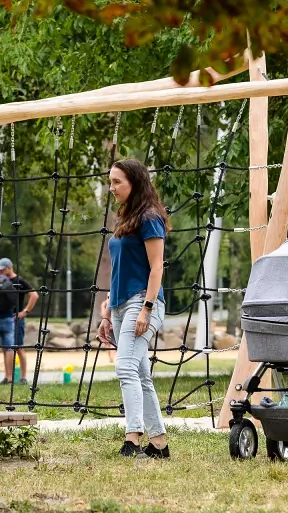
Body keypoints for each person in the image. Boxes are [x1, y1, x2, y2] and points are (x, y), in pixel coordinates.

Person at [97, 158, 170, 459]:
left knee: (125, 367)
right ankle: (159, 444)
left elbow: (157, 267)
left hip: (143, 302)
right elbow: (119, 269)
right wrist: (107, 311)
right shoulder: (126, 217)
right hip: (120, 305)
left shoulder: (149, 217)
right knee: (140, 374)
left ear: (135, 182)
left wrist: (147, 309)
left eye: (117, 182)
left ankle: (132, 439)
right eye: (110, 182)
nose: (111, 187)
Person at [0, 258, 38, 384]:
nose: (0, 272)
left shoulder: (19, 281)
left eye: (3, 269)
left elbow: (34, 295)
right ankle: (8, 376)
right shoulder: (0, 281)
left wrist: (25, 311)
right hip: (5, 318)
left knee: (18, 347)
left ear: (10, 267)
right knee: (6, 348)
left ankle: (23, 377)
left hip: (17, 318)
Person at [99, 297, 116, 363]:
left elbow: (103, 315)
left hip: (108, 325)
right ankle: (111, 357)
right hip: (112, 325)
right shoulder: (114, 301)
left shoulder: (104, 303)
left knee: (108, 343)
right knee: (112, 343)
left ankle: (110, 357)